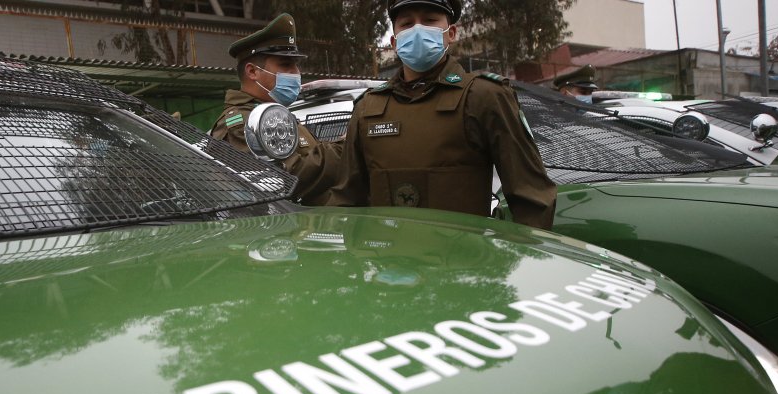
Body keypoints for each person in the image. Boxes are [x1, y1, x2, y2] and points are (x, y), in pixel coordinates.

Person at [325, 0, 556, 230]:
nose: (418, 29)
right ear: (394, 42)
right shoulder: (368, 108)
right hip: (388, 261)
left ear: (451, 33)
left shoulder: (483, 97)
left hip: (462, 262)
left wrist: (520, 259)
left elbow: (532, 200)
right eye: (407, 23)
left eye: (429, 20)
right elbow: (345, 201)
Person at [210, 13, 342, 206]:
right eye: (286, 65)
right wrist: (345, 149)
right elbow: (286, 180)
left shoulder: (274, 115)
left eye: (296, 65)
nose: (296, 73)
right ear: (252, 71)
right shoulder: (243, 123)